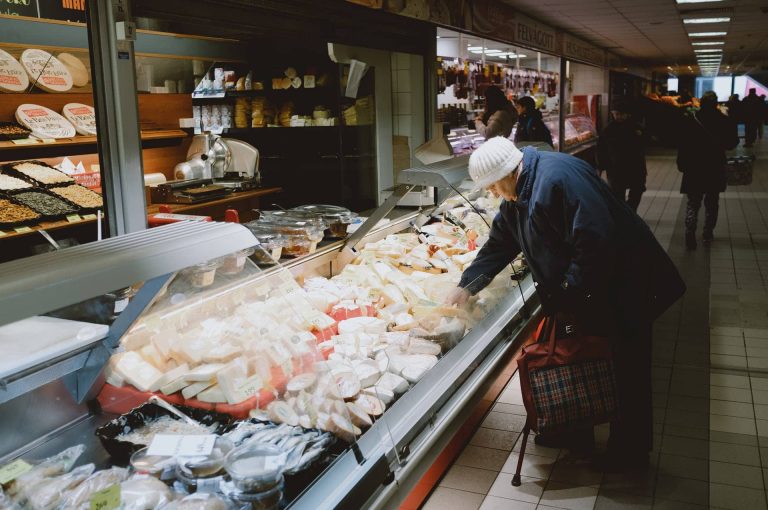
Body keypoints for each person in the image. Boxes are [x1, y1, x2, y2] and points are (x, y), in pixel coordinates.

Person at [445, 137, 685, 471]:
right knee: (575, 352)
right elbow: (501, 242)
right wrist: (467, 285)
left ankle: (629, 453)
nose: (492, 194)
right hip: (585, 293)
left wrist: (568, 291)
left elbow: (597, 242)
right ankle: (574, 428)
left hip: (625, 287)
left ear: (508, 173)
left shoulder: (558, 179)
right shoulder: (521, 190)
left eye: (492, 187)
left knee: (626, 365)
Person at [677, 91, 739, 249]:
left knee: (693, 202)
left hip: (693, 166)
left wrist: (682, 163)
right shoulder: (724, 120)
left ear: (701, 103)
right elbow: (732, 143)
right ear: (716, 103)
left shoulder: (690, 119)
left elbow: (682, 144)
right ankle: (707, 233)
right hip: (715, 166)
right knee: (712, 202)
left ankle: (690, 231)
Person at [597, 98, 647, 211]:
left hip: (636, 166)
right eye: (615, 114)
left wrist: (641, 136)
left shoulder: (636, 127)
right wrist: (601, 166)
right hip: (616, 169)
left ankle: (630, 211)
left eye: (620, 114)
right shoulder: (608, 130)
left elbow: (644, 142)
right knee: (617, 194)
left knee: (637, 190)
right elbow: (601, 149)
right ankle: (624, 214)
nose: (618, 116)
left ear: (627, 114)